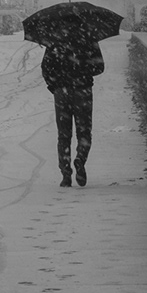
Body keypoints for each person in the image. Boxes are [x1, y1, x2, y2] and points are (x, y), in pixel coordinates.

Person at [39, 29, 105, 187]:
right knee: (84, 131)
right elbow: (99, 67)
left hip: (62, 92)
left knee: (63, 134)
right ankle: (80, 160)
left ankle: (66, 173)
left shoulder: (54, 42)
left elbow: (45, 67)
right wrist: (83, 71)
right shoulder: (89, 39)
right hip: (83, 91)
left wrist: (54, 84)